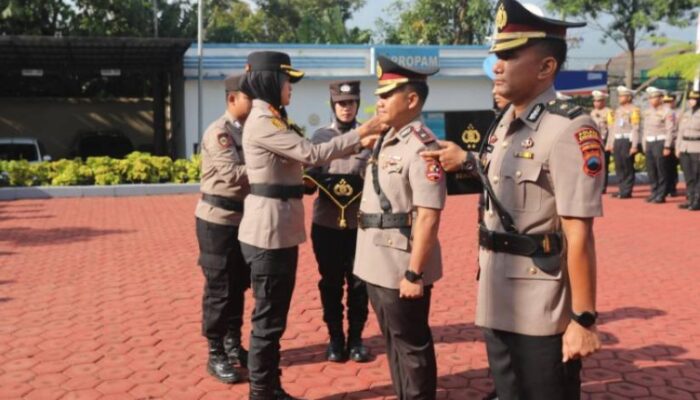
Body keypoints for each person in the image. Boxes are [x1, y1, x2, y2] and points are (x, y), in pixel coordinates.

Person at [425, 1, 603, 398]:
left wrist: (583, 320)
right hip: (496, 290)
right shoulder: (505, 122)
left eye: (509, 55)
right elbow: (500, 180)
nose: (497, 64)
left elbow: (580, 235)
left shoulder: (570, 128)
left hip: (541, 304)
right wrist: (467, 161)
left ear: (545, 68)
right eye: (496, 55)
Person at [237, 51, 382, 400]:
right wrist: (364, 132)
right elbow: (312, 155)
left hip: (278, 228)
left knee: (273, 319)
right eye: (287, 81)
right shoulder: (263, 121)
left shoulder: (272, 118)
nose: (291, 88)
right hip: (269, 232)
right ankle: (262, 391)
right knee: (268, 320)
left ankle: (270, 387)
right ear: (271, 81)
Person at [353, 55, 445, 400]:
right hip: (375, 260)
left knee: (411, 345)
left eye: (387, 94)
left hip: (400, 265)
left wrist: (414, 273)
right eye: (379, 94)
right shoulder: (386, 138)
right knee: (392, 339)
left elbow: (428, 215)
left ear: (411, 100)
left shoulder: (422, 145)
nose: (378, 101)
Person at [304, 81, 372, 363]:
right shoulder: (320, 137)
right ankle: (335, 339)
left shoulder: (370, 137)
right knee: (330, 283)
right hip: (327, 223)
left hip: (360, 224)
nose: (347, 108)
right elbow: (308, 179)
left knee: (359, 284)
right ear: (333, 105)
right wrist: (312, 178)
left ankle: (356, 339)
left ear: (357, 104)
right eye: (342, 103)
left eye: (351, 103)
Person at [194, 74, 252, 384]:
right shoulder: (219, 132)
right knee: (218, 288)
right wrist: (272, 166)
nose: (255, 104)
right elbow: (232, 174)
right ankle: (215, 352)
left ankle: (233, 344)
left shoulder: (248, 131)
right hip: (217, 221)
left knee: (239, 284)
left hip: (243, 220)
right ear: (233, 100)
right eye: (250, 98)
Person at [641, 87, 675, 203]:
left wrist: (667, 146)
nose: (651, 100)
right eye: (650, 98)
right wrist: (644, 143)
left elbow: (670, 130)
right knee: (651, 169)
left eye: (654, 97)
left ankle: (661, 194)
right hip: (650, 142)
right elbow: (645, 129)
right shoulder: (648, 111)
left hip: (661, 141)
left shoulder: (668, 111)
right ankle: (654, 191)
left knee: (661, 169)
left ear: (661, 98)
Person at [607, 85, 641, 199]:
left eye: (622, 96)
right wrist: (611, 143)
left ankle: (627, 190)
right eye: (619, 96)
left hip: (627, 140)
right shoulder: (618, 110)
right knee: (619, 165)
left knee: (627, 166)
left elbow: (635, 128)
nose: (619, 98)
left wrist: (634, 145)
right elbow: (613, 128)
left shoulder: (634, 110)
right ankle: (621, 189)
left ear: (629, 97)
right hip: (618, 139)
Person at [676, 90, 700, 210]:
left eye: (694, 99)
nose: (691, 101)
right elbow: (680, 131)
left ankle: (697, 200)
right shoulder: (686, 113)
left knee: (697, 175)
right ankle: (690, 198)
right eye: (690, 99)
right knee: (688, 175)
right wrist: (678, 147)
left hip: (697, 147)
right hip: (685, 147)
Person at [590, 90, 613, 193]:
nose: (596, 103)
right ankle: (595, 185)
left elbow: (611, 129)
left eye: (599, 101)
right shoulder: (592, 112)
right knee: (593, 163)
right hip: (593, 141)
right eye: (595, 101)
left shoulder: (609, 112)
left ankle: (603, 186)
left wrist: (609, 143)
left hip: (604, 140)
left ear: (603, 101)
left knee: (603, 164)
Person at [663, 93, 680, 196]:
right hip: (664, 143)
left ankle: (672, 188)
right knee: (664, 167)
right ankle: (665, 188)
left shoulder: (679, 113)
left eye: (669, 101)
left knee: (671, 168)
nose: (667, 104)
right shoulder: (663, 112)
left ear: (674, 101)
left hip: (674, 143)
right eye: (666, 102)